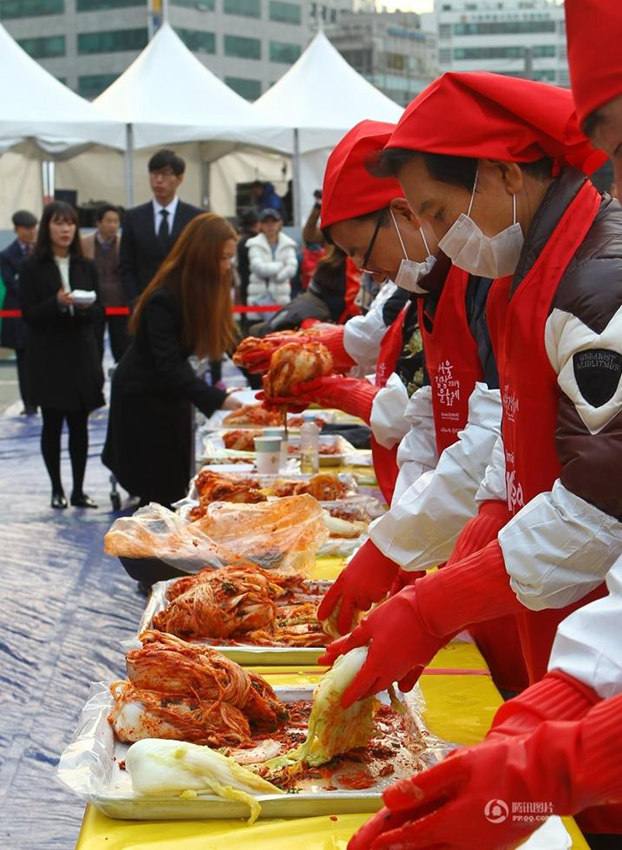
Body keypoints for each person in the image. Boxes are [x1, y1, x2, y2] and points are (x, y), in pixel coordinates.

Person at [319, 74, 622, 842]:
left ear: (504, 174)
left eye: (438, 213)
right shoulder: (531, 269)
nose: (438, 236)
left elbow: (598, 513)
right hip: (576, 653)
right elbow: (507, 452)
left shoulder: (596, 285)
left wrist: (430, 603)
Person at [102, 213, 243, 511]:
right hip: (143, 399)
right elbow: (168, 367)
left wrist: (264, 378)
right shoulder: (163, 298)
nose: (227, 266)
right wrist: (220, 399)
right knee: (158, 492)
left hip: (170, 395)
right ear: (203, 256)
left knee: (175, 483)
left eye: (230, 258)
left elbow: (231, 341)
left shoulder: (203, 290)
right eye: (223, 258)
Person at [19, 202, 104, 509]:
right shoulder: (31, 267)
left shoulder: (86, 266)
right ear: (47, 227)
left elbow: (99, 312)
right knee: (52, 425)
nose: (66, 229)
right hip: (48, 359)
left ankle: (80, 489)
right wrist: (55, 303)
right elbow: (27, 313)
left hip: (81, 356)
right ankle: (57, 489)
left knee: (80, 426)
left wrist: (83, 308)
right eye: (59, 223)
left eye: (70, 224)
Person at [119, 149, 203, 304]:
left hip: (184, 302)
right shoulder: (133, 217)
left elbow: (200, 264)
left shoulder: (195, 218)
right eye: (153, 173)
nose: (158, 180)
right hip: (144, 302)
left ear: (179, 178)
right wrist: (134, 299)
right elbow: (126, 265)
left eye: (165, 174)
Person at [0, 210, 38, 415]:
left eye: (33, 228)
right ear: (16, 230)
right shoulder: (7, 255)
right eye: (26, 229)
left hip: (40, 312)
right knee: (23, 360)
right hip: (19, 315)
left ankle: (44, 398)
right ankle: (29, 403)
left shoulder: (41, 250)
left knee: (42, 359)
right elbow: (11, 283)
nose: (31, 232)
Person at [81, 203, 129, 364]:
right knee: (93, 348)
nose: (113, 225)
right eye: (109, 221)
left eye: (116, 221)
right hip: (93, 304)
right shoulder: (84, 243)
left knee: (122, 348)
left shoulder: (124, 244)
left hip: (119, 304)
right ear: (98, 223)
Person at [246, 208, 298, 322]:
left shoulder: (288, 244)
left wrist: (279, 275)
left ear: (280, 223)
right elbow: (258, 267)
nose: (270, 226)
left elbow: (292, 268)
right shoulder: (254, 244)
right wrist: (280, 266)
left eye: (273, 222)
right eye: (266, 222)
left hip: (281, 302)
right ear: (261, 225)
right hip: (258, 303)